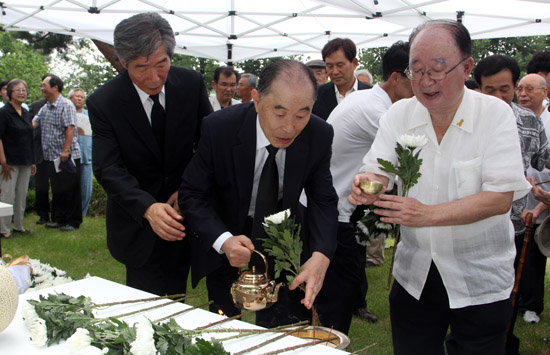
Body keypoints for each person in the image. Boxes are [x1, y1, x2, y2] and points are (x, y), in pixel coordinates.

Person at [349, 20, 531, 354]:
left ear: (467, 67)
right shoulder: (399, 114)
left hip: (480, 275)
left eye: (437, 70)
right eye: (416, 70)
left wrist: (427, 214)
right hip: (415, 274)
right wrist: (367, 185)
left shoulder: (495, 115)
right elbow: (378, 168)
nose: (425, 81)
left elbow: (499, 198)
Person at [179, 59, 338, 328]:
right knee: (225, 321)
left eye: (302, 114)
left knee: (286, 324)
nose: (289, 128)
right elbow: (192, 194)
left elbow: (323, 199)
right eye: (280, 113)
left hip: (283, 230)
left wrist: (321, 254)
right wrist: (223, 240)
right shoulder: (219, 128)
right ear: (256, 99)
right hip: (228, 227)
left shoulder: (319, 133)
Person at [87, 12, 212, 296]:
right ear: (122, 62)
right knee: (145, 307)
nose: (154, 78)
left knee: (177, 301)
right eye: (141, 68)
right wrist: (147, 207)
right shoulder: (104, 102)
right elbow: (108, 168)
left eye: (162, 64)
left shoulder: (191, 84)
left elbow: (208, 145)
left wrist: (188, 188)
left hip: (185, 217)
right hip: (138, 225)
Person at [315, 41, 413, 333]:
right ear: (396, 78)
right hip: (336, 212)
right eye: (416, 76)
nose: (422, 87)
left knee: (339, 290)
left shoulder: (369, 100)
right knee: (337, 299)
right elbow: (410, 162)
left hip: (337, 207)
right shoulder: (377, 111)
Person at [516, 74, 549, 324]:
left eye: (530, 89)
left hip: (543, 198)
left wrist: (539, 207)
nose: (523, 93)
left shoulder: (545, 122)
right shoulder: (513, 117)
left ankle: (531, 306)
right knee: (516, 254)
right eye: (520, 88)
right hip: (516, 201)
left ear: (544, 92)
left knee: (535, 257)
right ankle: (513, 300)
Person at [33, 74, 82, 232]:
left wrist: (65, 151)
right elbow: (33, 123)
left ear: (55, 87)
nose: (42, 89)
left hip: (67, 156)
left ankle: (73, 221)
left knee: (70, 189)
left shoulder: (66, 105)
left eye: (44, 85)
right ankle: (59, 219)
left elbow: (70, 127)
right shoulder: (45, 106)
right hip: (51, 157)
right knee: (57, 188)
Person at [0, 79, 36, 238]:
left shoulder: (27, 113)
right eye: (18, 90)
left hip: (26, 160)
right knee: (7, 195)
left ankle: (19, 226)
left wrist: (33, 160)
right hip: (9, 161)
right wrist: (3, 162)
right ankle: (4, 229)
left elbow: (30, 138)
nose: (22, 93)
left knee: (21, 194)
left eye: (24, 90)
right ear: (10, 93)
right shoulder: (4, 112)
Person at [312, 38, 371, 120]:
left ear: (354, 63)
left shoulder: (370, 94)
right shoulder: (316, 96)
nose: (335, 72)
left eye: (340, 65)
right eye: (330, 66)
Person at [69, 88, 93, 217]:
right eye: (77, 96)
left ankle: (81, 214)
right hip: (70, 156)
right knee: (70, 188)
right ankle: (70, 213)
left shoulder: (89, 114)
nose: (79, 99)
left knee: (86, 189)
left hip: (87, 155)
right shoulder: (67, 113)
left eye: (82, 97)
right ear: (70, 98)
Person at [29, 98, 49, 225]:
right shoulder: (36, 106)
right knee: (41, 186)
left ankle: (59, 215)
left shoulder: (65, 105)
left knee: (59, 185)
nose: (43, 89)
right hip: (39, 151)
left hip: (56, 152)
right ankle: (43, 215)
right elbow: (29, 127)